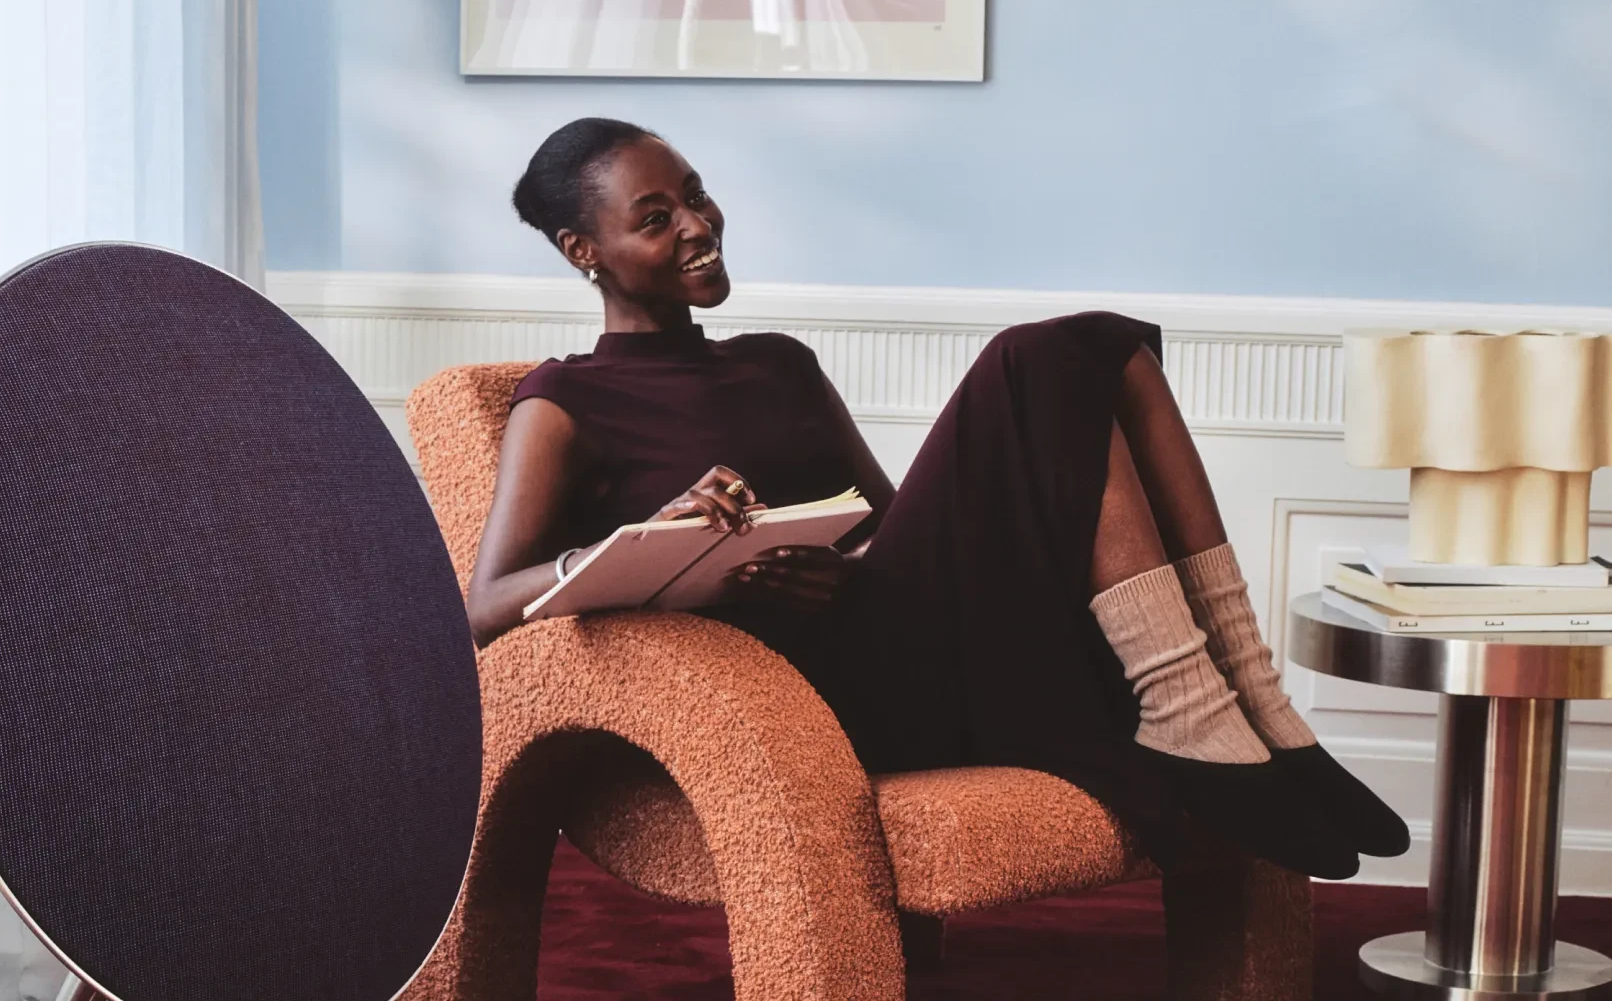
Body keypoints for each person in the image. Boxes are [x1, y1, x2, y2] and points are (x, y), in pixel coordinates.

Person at [467, 117, 1408, 879]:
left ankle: (1244, 694)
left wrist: (838, 568)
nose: (699, 225)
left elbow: (886, 521)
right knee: (1030, 358)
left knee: (1100, 347)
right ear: (584, 249)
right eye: (656, 216)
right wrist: (648, 539)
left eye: (698, 195)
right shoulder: (563, 400)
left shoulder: (778, 363)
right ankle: (1187, 717)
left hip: (901, 631)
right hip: (806, 709)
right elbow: (486, 604)